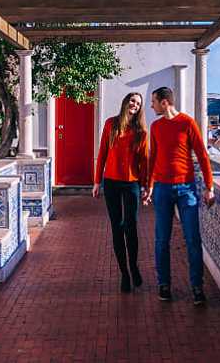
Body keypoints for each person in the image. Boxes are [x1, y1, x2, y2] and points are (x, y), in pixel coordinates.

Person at [142, 86, 214, 305]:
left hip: (186, 189)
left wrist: (209, 187)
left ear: (164, 102)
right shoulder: (156, 126)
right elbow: (153, 157)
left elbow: (202, 155)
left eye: (154, 102)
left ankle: (197, 287)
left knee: (192, 239)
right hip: (162, 189)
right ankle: (164, 284)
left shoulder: (187, 123)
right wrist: (149, 186)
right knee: (161, 240)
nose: (151, 106)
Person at [93, 92, 148, 293]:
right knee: (117, 227)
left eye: (138, 103)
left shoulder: (141, 131)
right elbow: (102, 153)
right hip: (111, 182)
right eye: (133, 101)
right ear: (126, 102)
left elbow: (144, 161)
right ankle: (124, 273)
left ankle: (133, 266)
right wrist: (97, 181)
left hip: (132, 183)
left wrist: (146, 186)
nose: (135, 105)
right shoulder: (111, 124)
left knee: (130, 226)